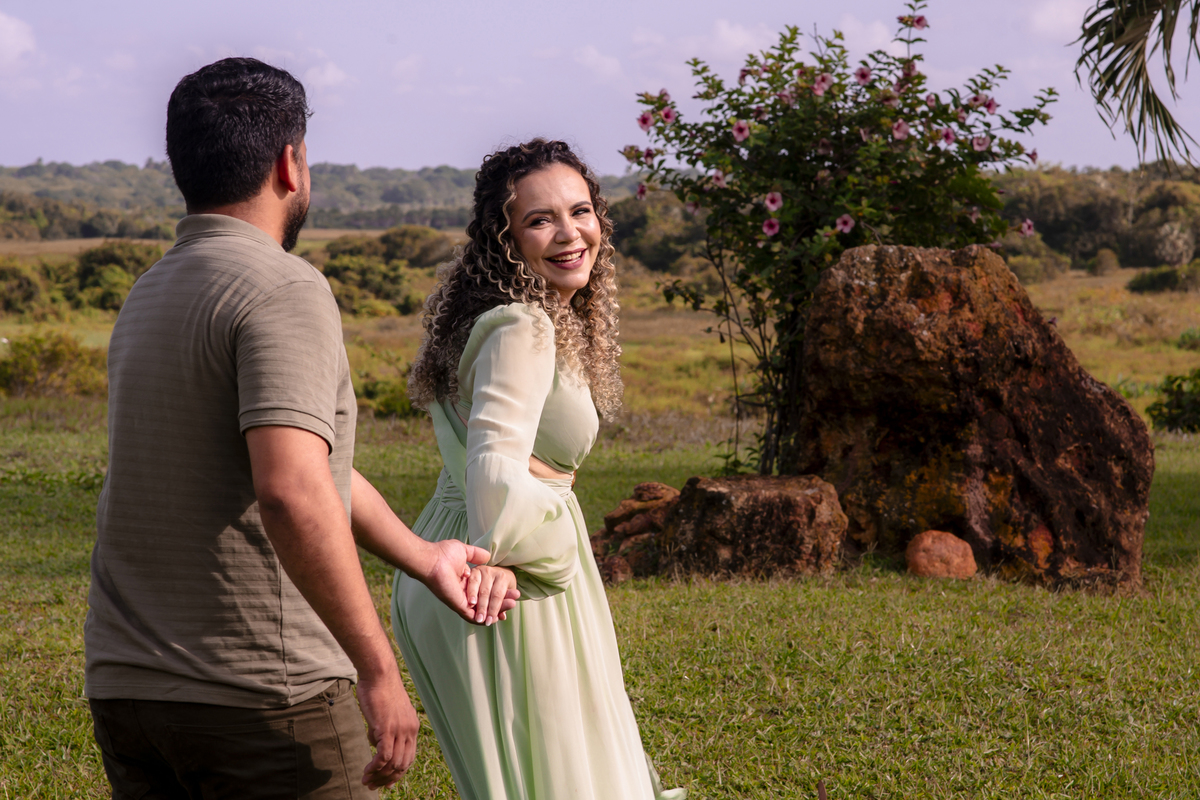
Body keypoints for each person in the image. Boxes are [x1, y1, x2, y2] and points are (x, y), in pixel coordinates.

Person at [84, 57, 512, 799]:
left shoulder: (148, 291)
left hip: (129, 693)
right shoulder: (284, 287)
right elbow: (289, 491)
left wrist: (423, 557)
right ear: (291, 163)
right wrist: (377, 669)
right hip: (261, 698)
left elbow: (312, 473)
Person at [392, 138, 687, 800]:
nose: (569, 233)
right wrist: (518, 552)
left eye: (580, 211)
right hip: (501, 566)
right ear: (505, 239)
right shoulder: (523, 325)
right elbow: (495, 470)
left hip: (472, 549)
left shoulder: (515, 314)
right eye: (538, 220)